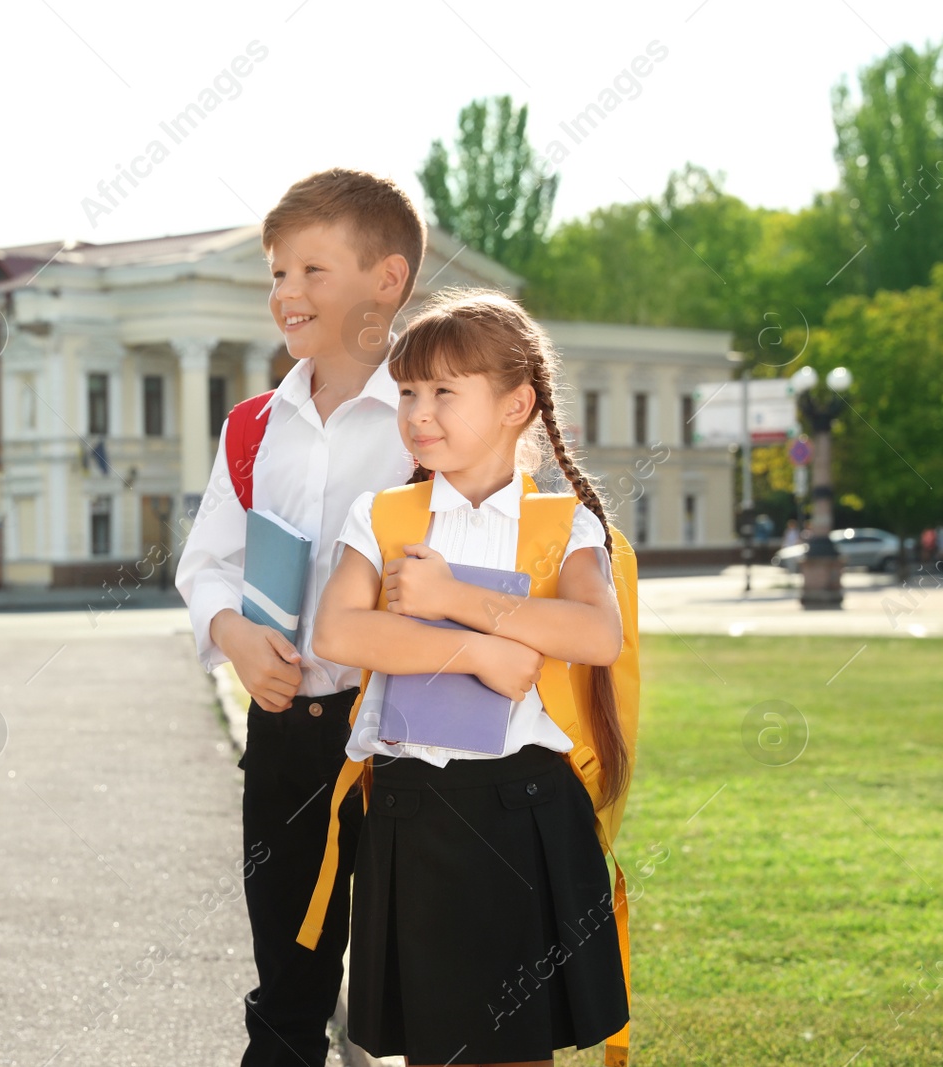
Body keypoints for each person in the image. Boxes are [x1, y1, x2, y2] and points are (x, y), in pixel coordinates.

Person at [312, 290, 632, 1066]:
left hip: (521, 811)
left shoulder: (564, 526)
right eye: (409, 392)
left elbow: (596, 633)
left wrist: (452, 598)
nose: (419, 412)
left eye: (444, 391)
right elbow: (339, 630)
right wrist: (479, 652)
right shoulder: (383, 516)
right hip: (408, 809)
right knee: (434, 1053)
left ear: (516, 403)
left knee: (517, 1050)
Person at [174, 168, 426, 1067]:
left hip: (407, 739)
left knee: (414, 993)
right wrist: (236, 638)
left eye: (313, 271)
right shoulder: (252, 426)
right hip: (285, 736)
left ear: (386, 280)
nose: (287, 294)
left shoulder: (427, 419)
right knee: (286, 988)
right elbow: (205, 564)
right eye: (277, 274)